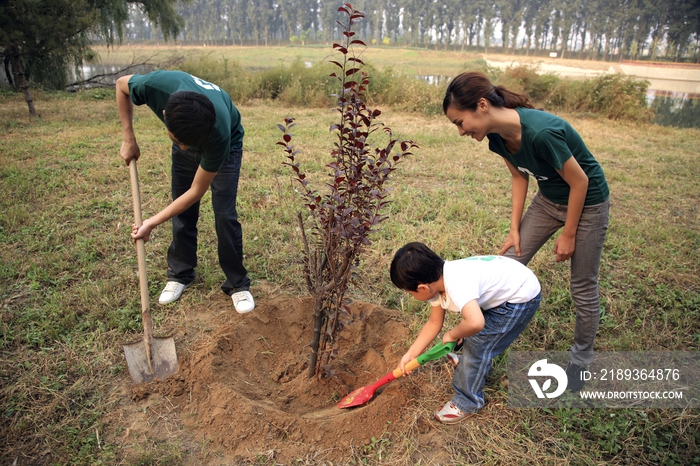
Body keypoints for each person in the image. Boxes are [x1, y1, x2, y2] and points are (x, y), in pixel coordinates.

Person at [442, 71, 610, 391]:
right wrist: (514, 229)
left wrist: (569, 234)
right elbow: (520, 178)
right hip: (547, 202)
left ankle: (580, 364)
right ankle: (476, 350)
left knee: (583, 287)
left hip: (588, 203)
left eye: (460, 123)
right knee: (505, 267)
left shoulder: (541, 132)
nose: (461, 131)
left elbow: (581, 182)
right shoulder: (497, 137)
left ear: (481, 106)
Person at [116, 70, 255, 314]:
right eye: (178, 140)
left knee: (224, 214)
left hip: (225, 145)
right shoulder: (155, 87)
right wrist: (129, 137)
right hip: (193, 129)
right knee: (182, 211)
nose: (184, 147)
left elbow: (196, 190)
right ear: (165, 114)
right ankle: (180, 274)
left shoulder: (219, 133)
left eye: (187, 143)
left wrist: (151, 222)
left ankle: (237, 284)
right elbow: (120, 85)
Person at [390, 242, 541, 424]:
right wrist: (411, 353)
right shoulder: (438, 279)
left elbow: (476, 323)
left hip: (519, 298)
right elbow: (434, 322)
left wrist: (453, 334)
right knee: (471, 333)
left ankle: (468, 402)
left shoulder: (457, 283)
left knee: (479, 344)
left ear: (423, 288)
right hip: (507, 287)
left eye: (410, 293)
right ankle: (470, 367)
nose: (411, 296)